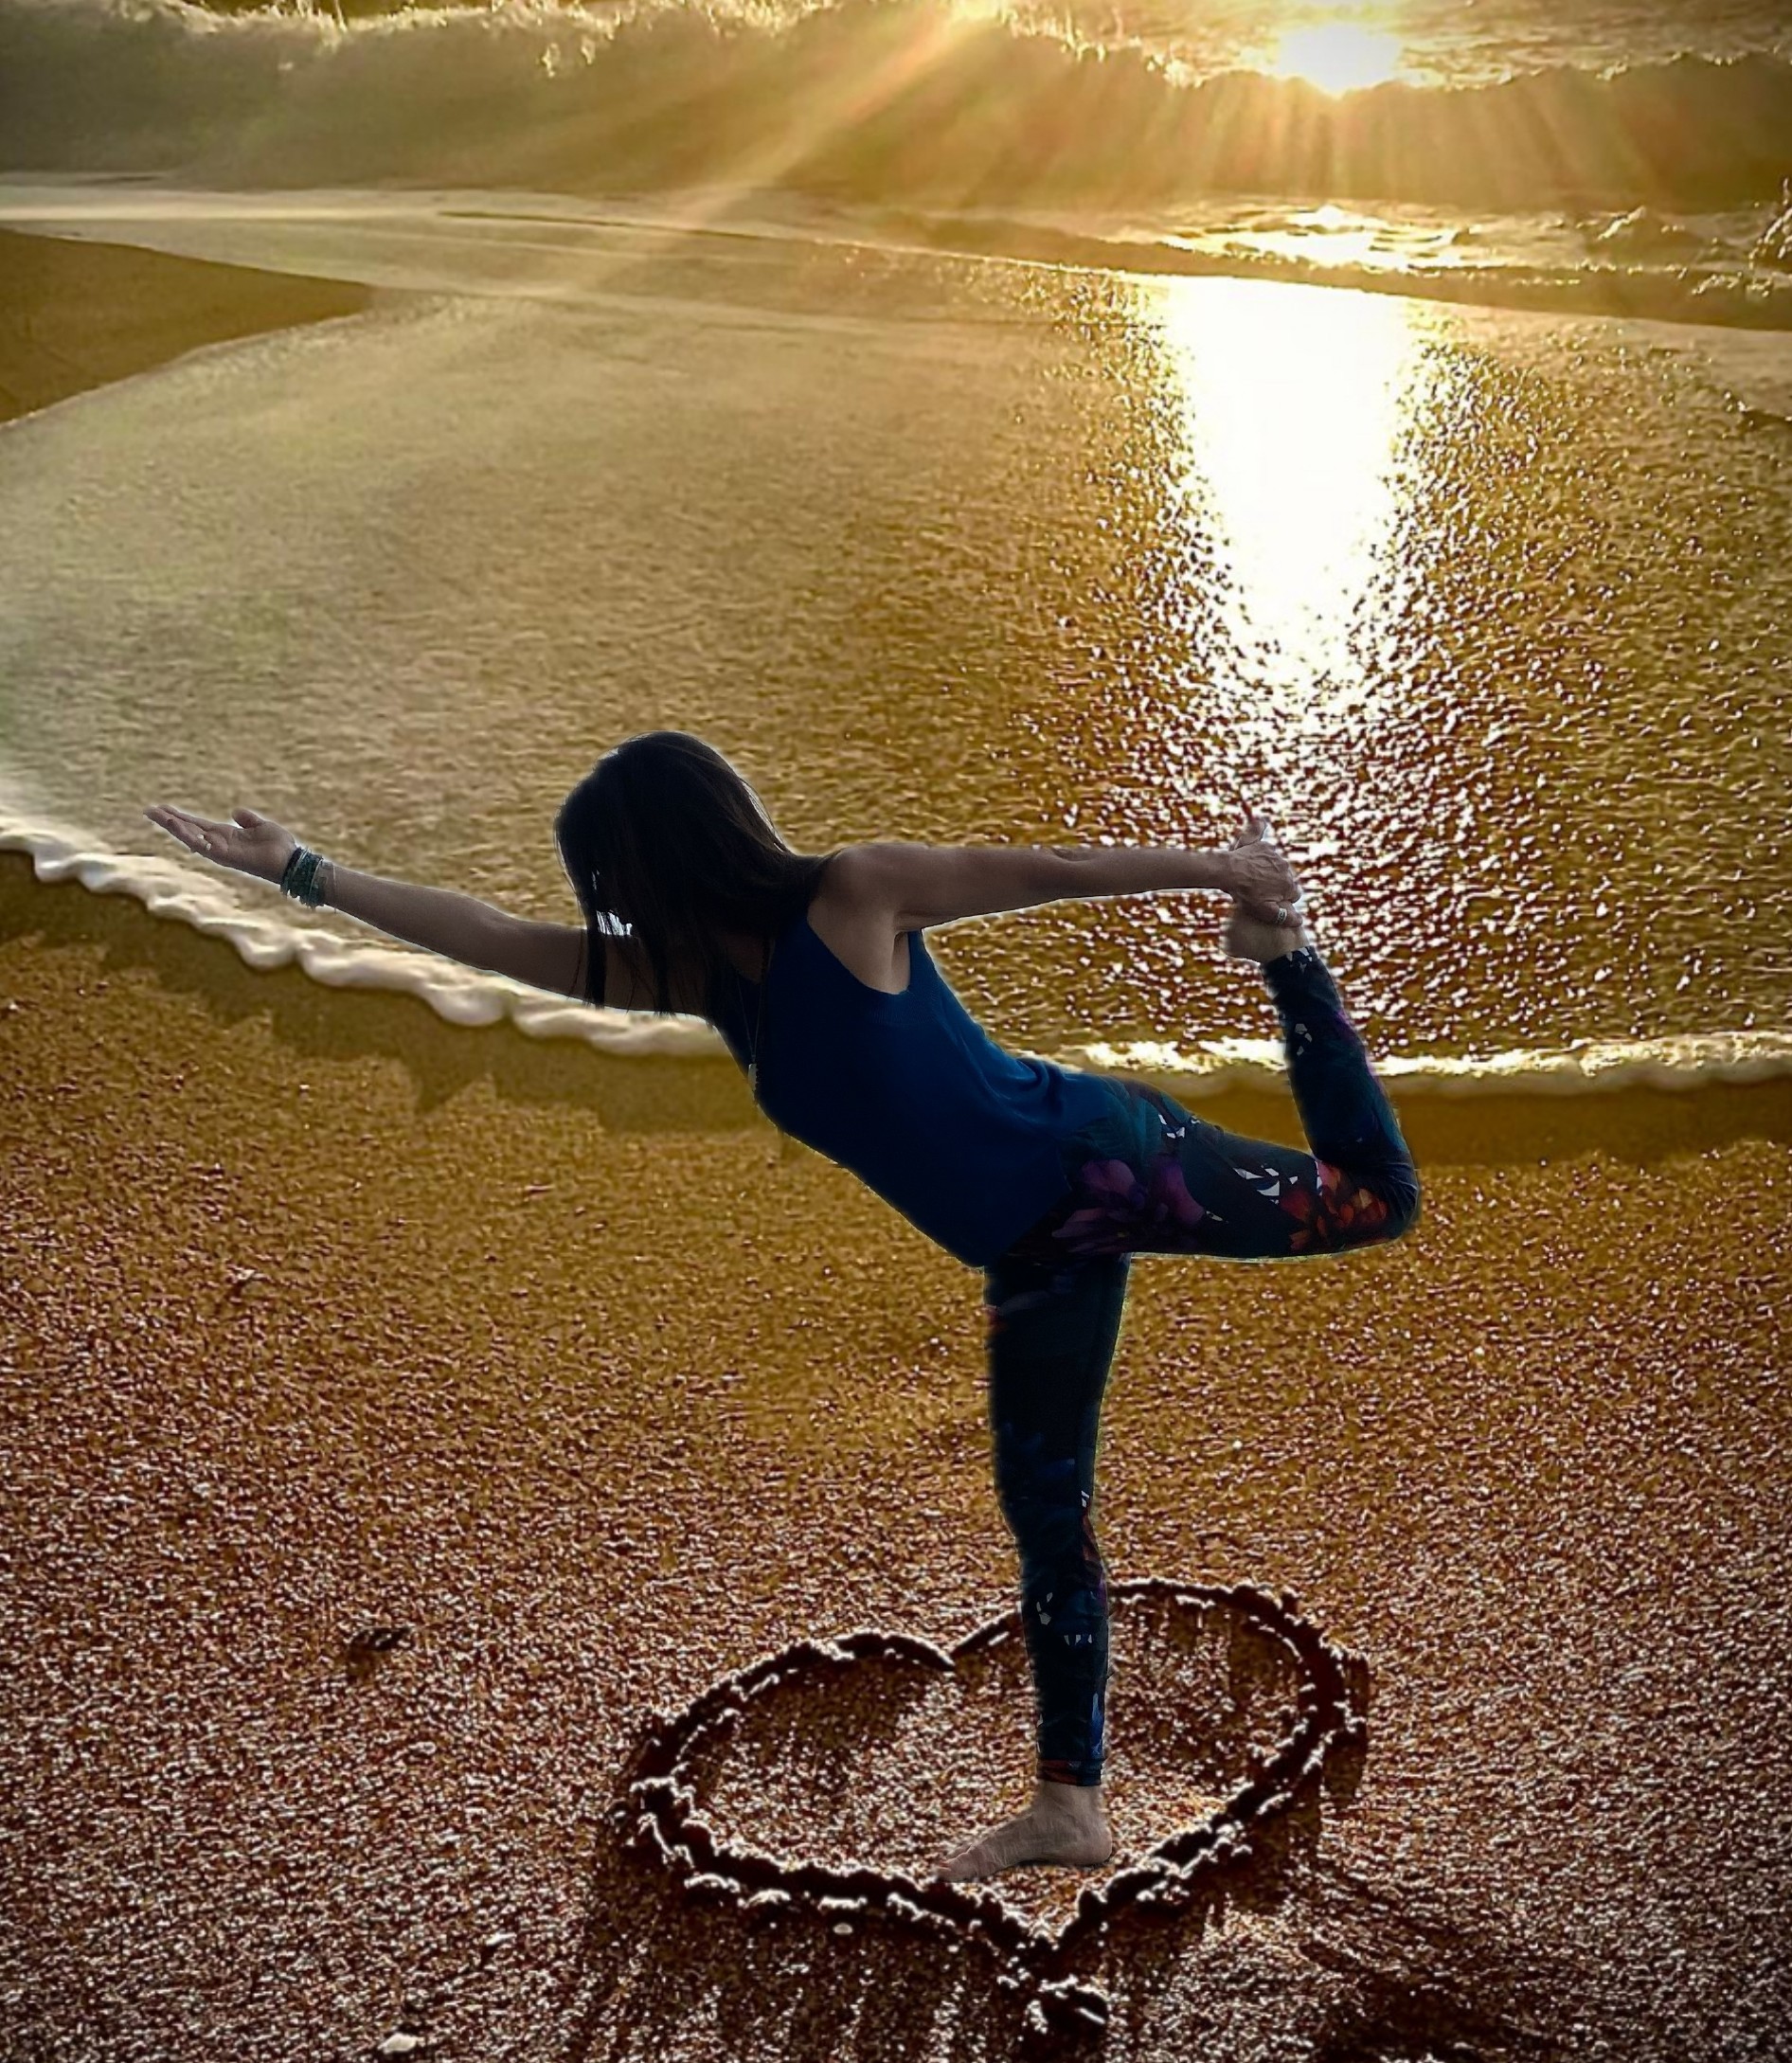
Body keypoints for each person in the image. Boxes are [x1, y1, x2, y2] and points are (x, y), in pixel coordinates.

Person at [145, 728, 1419, 1883]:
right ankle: (1070, 1803)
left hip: (1107, 1159)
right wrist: (302, 870)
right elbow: (487, 936)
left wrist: (1222, 873)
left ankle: (1288, 955)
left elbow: (1028, 867)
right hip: (1031, 1249)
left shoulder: (852, 894)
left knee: (1377, 1200)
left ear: (663, 855)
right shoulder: (706, 984)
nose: (606, 911)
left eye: (612, 881)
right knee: (1045, 1512)